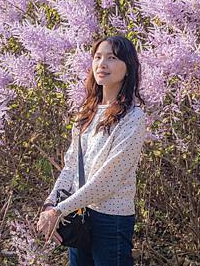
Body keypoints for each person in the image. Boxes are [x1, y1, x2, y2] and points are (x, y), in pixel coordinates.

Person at [36, 35, 148, 266]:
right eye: (97, 57)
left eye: (112, 57)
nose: (102, 64)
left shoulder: (133, 117)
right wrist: (50, 205)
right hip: (79, 214)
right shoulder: (87, 112)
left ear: (128, 68)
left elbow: (108, 179)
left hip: (111, 221)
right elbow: (70, 167)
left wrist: (59, 210)